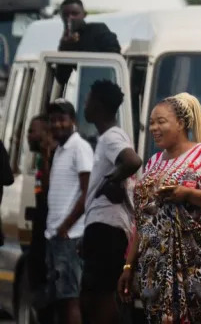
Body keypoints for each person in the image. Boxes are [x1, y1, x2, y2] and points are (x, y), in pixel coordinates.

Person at [117, 93, 201, 323]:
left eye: (161, 121)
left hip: (193, 274)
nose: (154, 128)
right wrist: (129, 265)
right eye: (151, 122)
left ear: (181, 123)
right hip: (154, 275)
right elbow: (143, 223)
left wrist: (188, 194)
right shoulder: (153, 162)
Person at [81, 80, 142, 324]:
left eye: (87, 100)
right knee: (94, 297)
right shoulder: (108, 137)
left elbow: (132, 161)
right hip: (102, 226)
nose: (84, 105)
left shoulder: (111, 137)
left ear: (97, 105)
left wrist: (110, 180)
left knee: (100, 298)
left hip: (107, 228)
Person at [45, 99, 94, 324]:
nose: (57, 124)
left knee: (70, 298)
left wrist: (66, 226)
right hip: (56, 234)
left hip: (70, 235)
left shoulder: (79, 147)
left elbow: (87, 193)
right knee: (59, 298)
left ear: (73, 121)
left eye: (62, 119)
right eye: (53, 120)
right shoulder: (59, 149)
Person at [27, 115, 56, 324]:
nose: (29, 136)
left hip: (51, 232)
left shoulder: (55, 158)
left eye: (32, 131)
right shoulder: (40, 159)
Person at [56, 0, 121, 84]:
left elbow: (114, 57)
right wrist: (65, 48)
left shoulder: (98, 30)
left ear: (84, 14)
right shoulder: (66, 41)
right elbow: (62, 79)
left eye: (75, 13)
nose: (70, 18)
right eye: (66, 14)